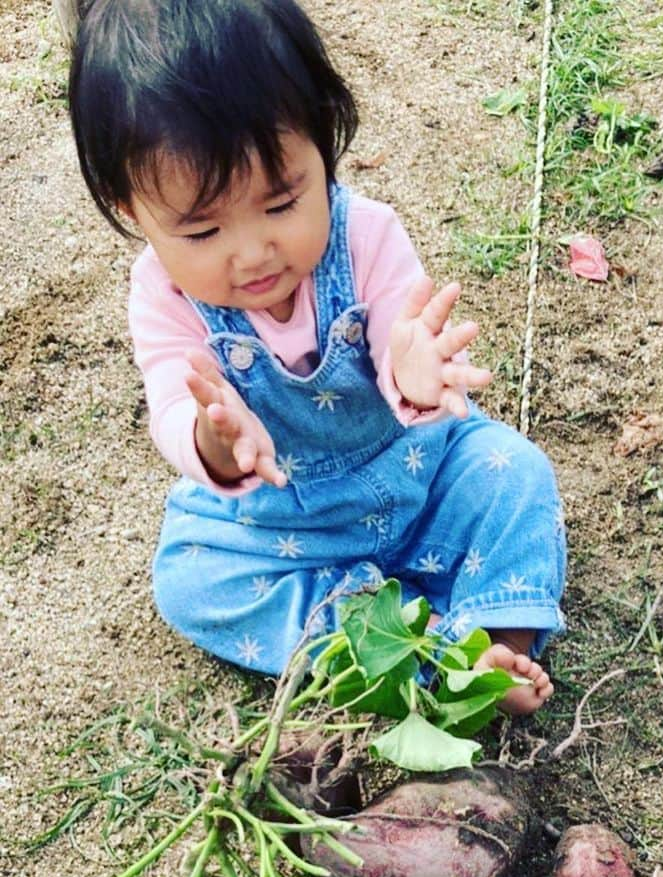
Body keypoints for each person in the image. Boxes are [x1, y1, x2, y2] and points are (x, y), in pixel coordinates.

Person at [67, 0, 566, 713]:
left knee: (515, 474)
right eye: (203, 231)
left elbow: (401, 321)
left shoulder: (364, 234)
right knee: (188, 581)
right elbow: (171, 402)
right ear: (128, 207)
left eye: (280, 204)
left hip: (413, 476)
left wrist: (413, 369)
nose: (253, 253)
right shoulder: (161, 294)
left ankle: (494, 650)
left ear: (322, 144)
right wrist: (211, 439)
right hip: (281, 523)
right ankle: (395, 640)